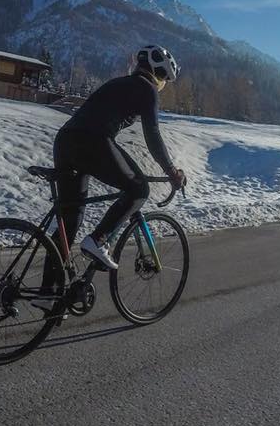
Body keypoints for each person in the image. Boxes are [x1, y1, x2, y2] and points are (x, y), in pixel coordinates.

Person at [52, 45, 185, 271]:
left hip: (65, 140)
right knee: (139, 189)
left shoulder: (119, 83)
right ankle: (98, 240)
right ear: (159, 73)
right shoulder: (148, 89)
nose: (163, 83)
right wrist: (172, 171)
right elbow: (153, 136)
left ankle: (50, 288)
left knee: (70, 219)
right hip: (93, 140)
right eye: (165, 78)